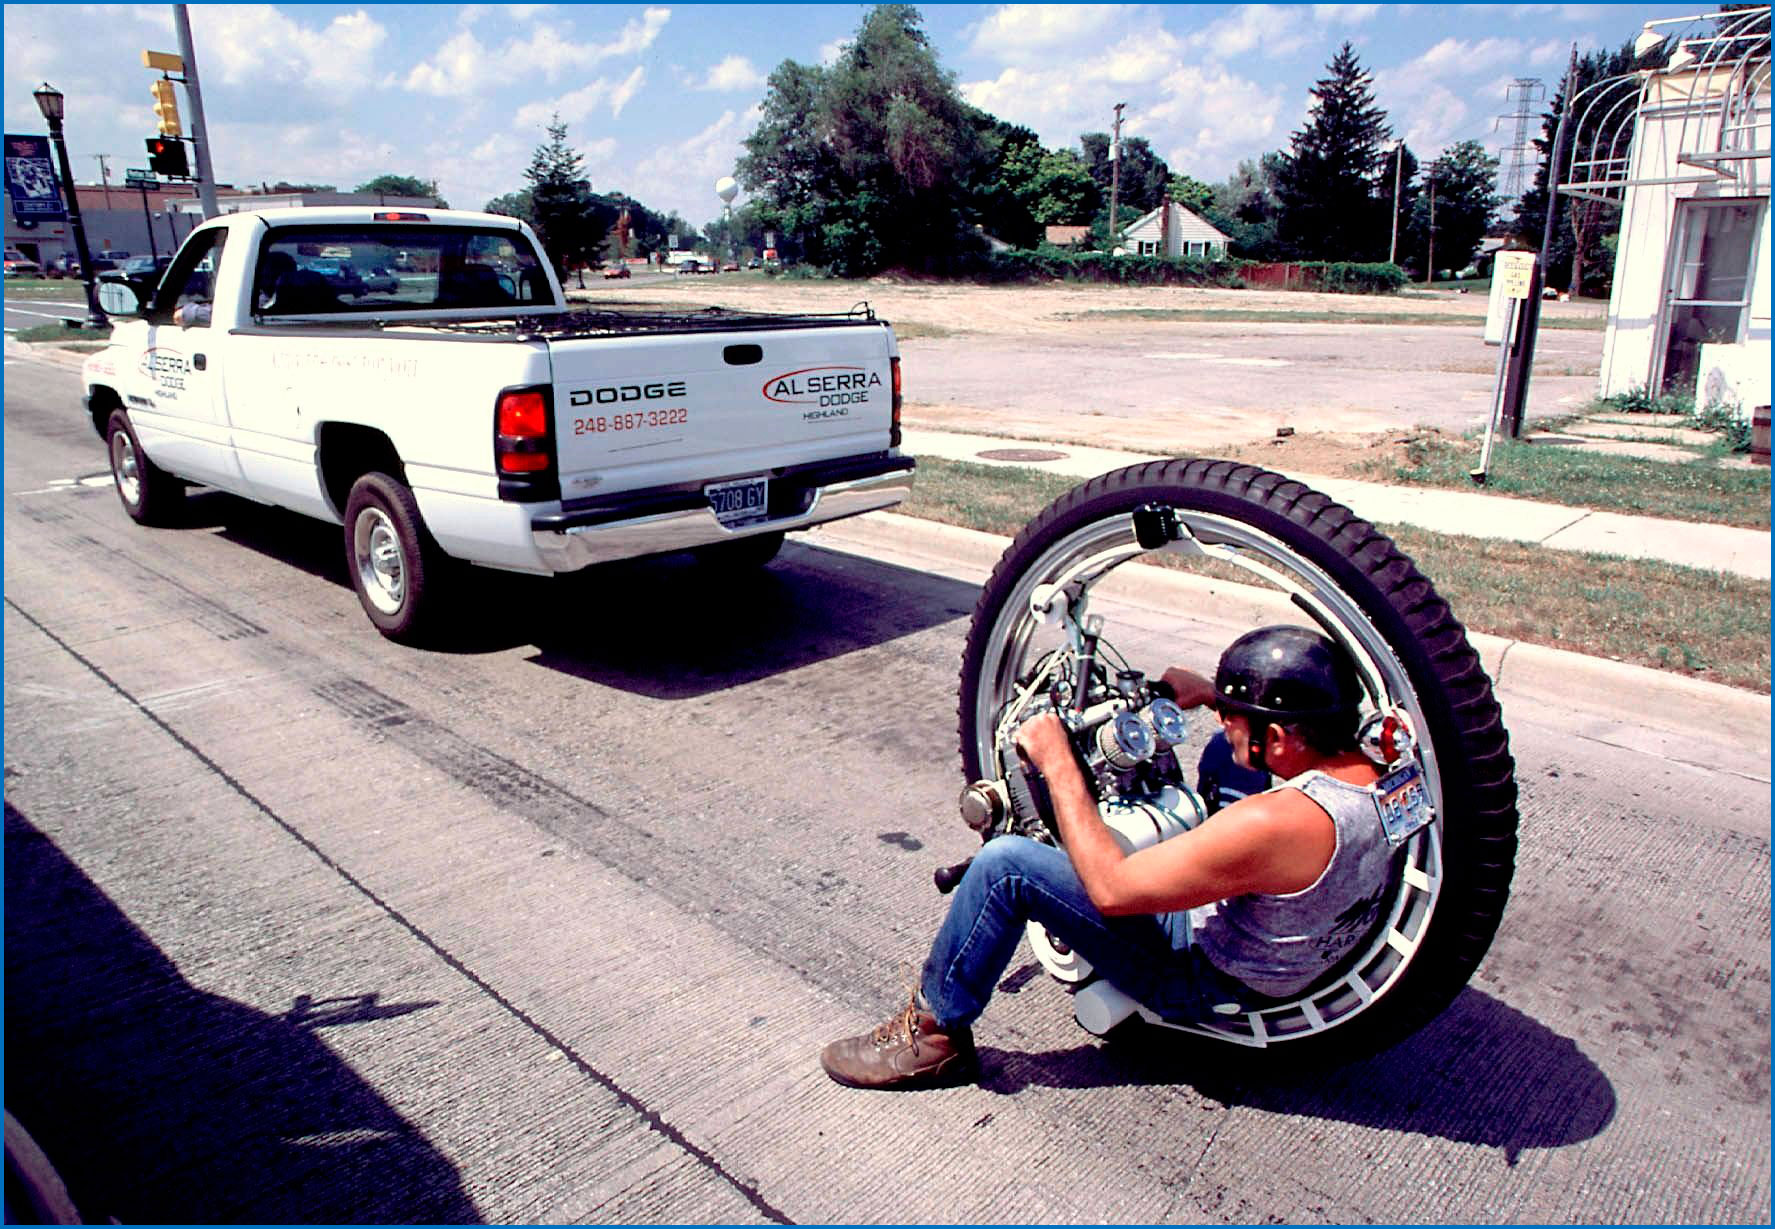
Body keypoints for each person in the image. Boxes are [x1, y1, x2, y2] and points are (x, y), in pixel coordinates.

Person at [820, 625, 1397, 1090]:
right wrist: (1213, 702)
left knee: (1006, 865)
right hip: (1295, 947)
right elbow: (1260, 756)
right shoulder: (1389, 776)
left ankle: (934, 1032)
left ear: (1280, 738)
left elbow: (1111, 889)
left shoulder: (1277, 823)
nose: (1223, 723)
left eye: (1235, 718)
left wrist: (1057, 761)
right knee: (1223, 759)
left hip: (1201, 978)